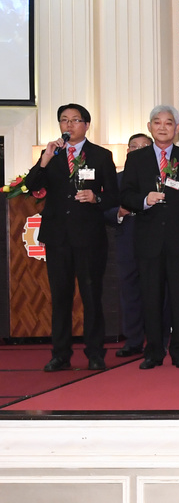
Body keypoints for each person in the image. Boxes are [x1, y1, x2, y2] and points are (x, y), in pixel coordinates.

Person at [24, 103, 119, 372]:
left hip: (89, 237)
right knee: (60, 298)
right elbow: (31, 186)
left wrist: (95, 197)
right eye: (64, 120)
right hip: (57, 237)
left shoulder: (101, 155)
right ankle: (60, 354)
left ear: (86, 125)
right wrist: (45, 158)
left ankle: (95, 353)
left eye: (75, 120)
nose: (69, 124)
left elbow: (114, 195)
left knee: (91, 296)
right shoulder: (51, 154)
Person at [119, 105, 179, 370]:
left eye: (168, 123)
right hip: (148, 240)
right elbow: (126, 195)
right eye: (157, 122)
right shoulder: (136, 159)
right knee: (151, 299)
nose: (163, 127)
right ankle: (153, 352)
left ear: (177, 128)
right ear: (150, 127)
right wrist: (145, 200)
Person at [111, 132, 152, 358]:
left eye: (144, 147)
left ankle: (158, 340)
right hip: (127, 241)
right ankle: (133, 340)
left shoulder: (159, 178)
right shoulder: (116, 179)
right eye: (134, 147)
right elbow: (102, 209)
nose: (138, 151)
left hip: (154, 242)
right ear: (127, 152)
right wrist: (118, 212)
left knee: (157, 293)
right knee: (130, 293)